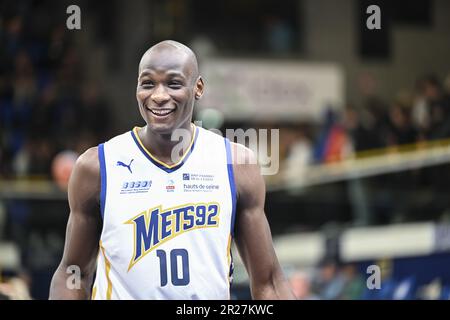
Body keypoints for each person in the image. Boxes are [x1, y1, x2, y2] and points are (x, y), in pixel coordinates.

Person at [49, 40, 294, 300]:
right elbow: (72, 273)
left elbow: (268, 282)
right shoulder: (97, 166)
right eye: (148, 83)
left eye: (173, 83)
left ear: (198, 88)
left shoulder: (235, 164)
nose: (159, 95)